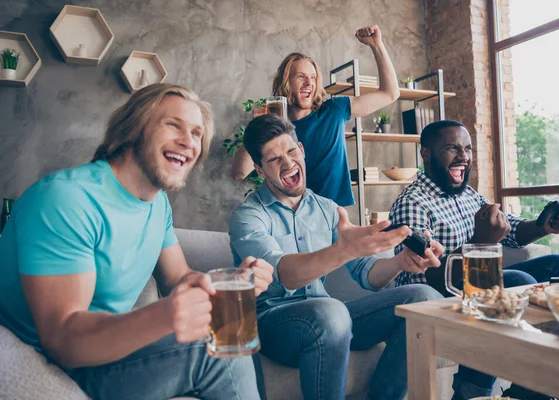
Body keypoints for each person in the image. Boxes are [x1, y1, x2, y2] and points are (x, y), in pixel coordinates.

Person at [0, 83, 274, 400]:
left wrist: (226, 285)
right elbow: (62, 340)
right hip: (60, 362)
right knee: (217, 351)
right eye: (174, 125)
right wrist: (162, 315)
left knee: (234, 328)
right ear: (134, 129)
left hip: (107, 351)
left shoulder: (157, 205)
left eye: (197, 133)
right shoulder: (67, 199)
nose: (188, 142)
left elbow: (178, 278)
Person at [229, 114, 445, 400]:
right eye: (273, 159)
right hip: (273, 325)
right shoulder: (248, 216)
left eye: (291, 151)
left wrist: (399, 262)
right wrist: (346, 249)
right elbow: (286, 274)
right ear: (259, 169)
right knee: (331, 311)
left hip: (331, 319)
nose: (287, 162)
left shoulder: (328, 209)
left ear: (302, 150)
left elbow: (367, 275)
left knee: (423, 298)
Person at [389, 119, 559, 400]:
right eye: (453, 148)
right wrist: (480, 244)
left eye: (467, 148)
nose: (464, 156)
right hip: (439, 300)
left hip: (480, 288)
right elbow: (420, 278)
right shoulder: (413, 203)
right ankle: (470, 392)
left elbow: (511, 229)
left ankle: (533, 390)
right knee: (515, 282)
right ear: (427, 154)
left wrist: (542, 225)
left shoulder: (467, 194)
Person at [232, 25, 400, 206]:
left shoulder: (334, 110)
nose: (309, 83)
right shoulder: (276, 128)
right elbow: (239, 172)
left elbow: (390, 93)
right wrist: (258, 126)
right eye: (301, 77)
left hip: (335, 216)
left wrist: (377, 45)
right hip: (295, 218)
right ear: (285, 83)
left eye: (313, 78)